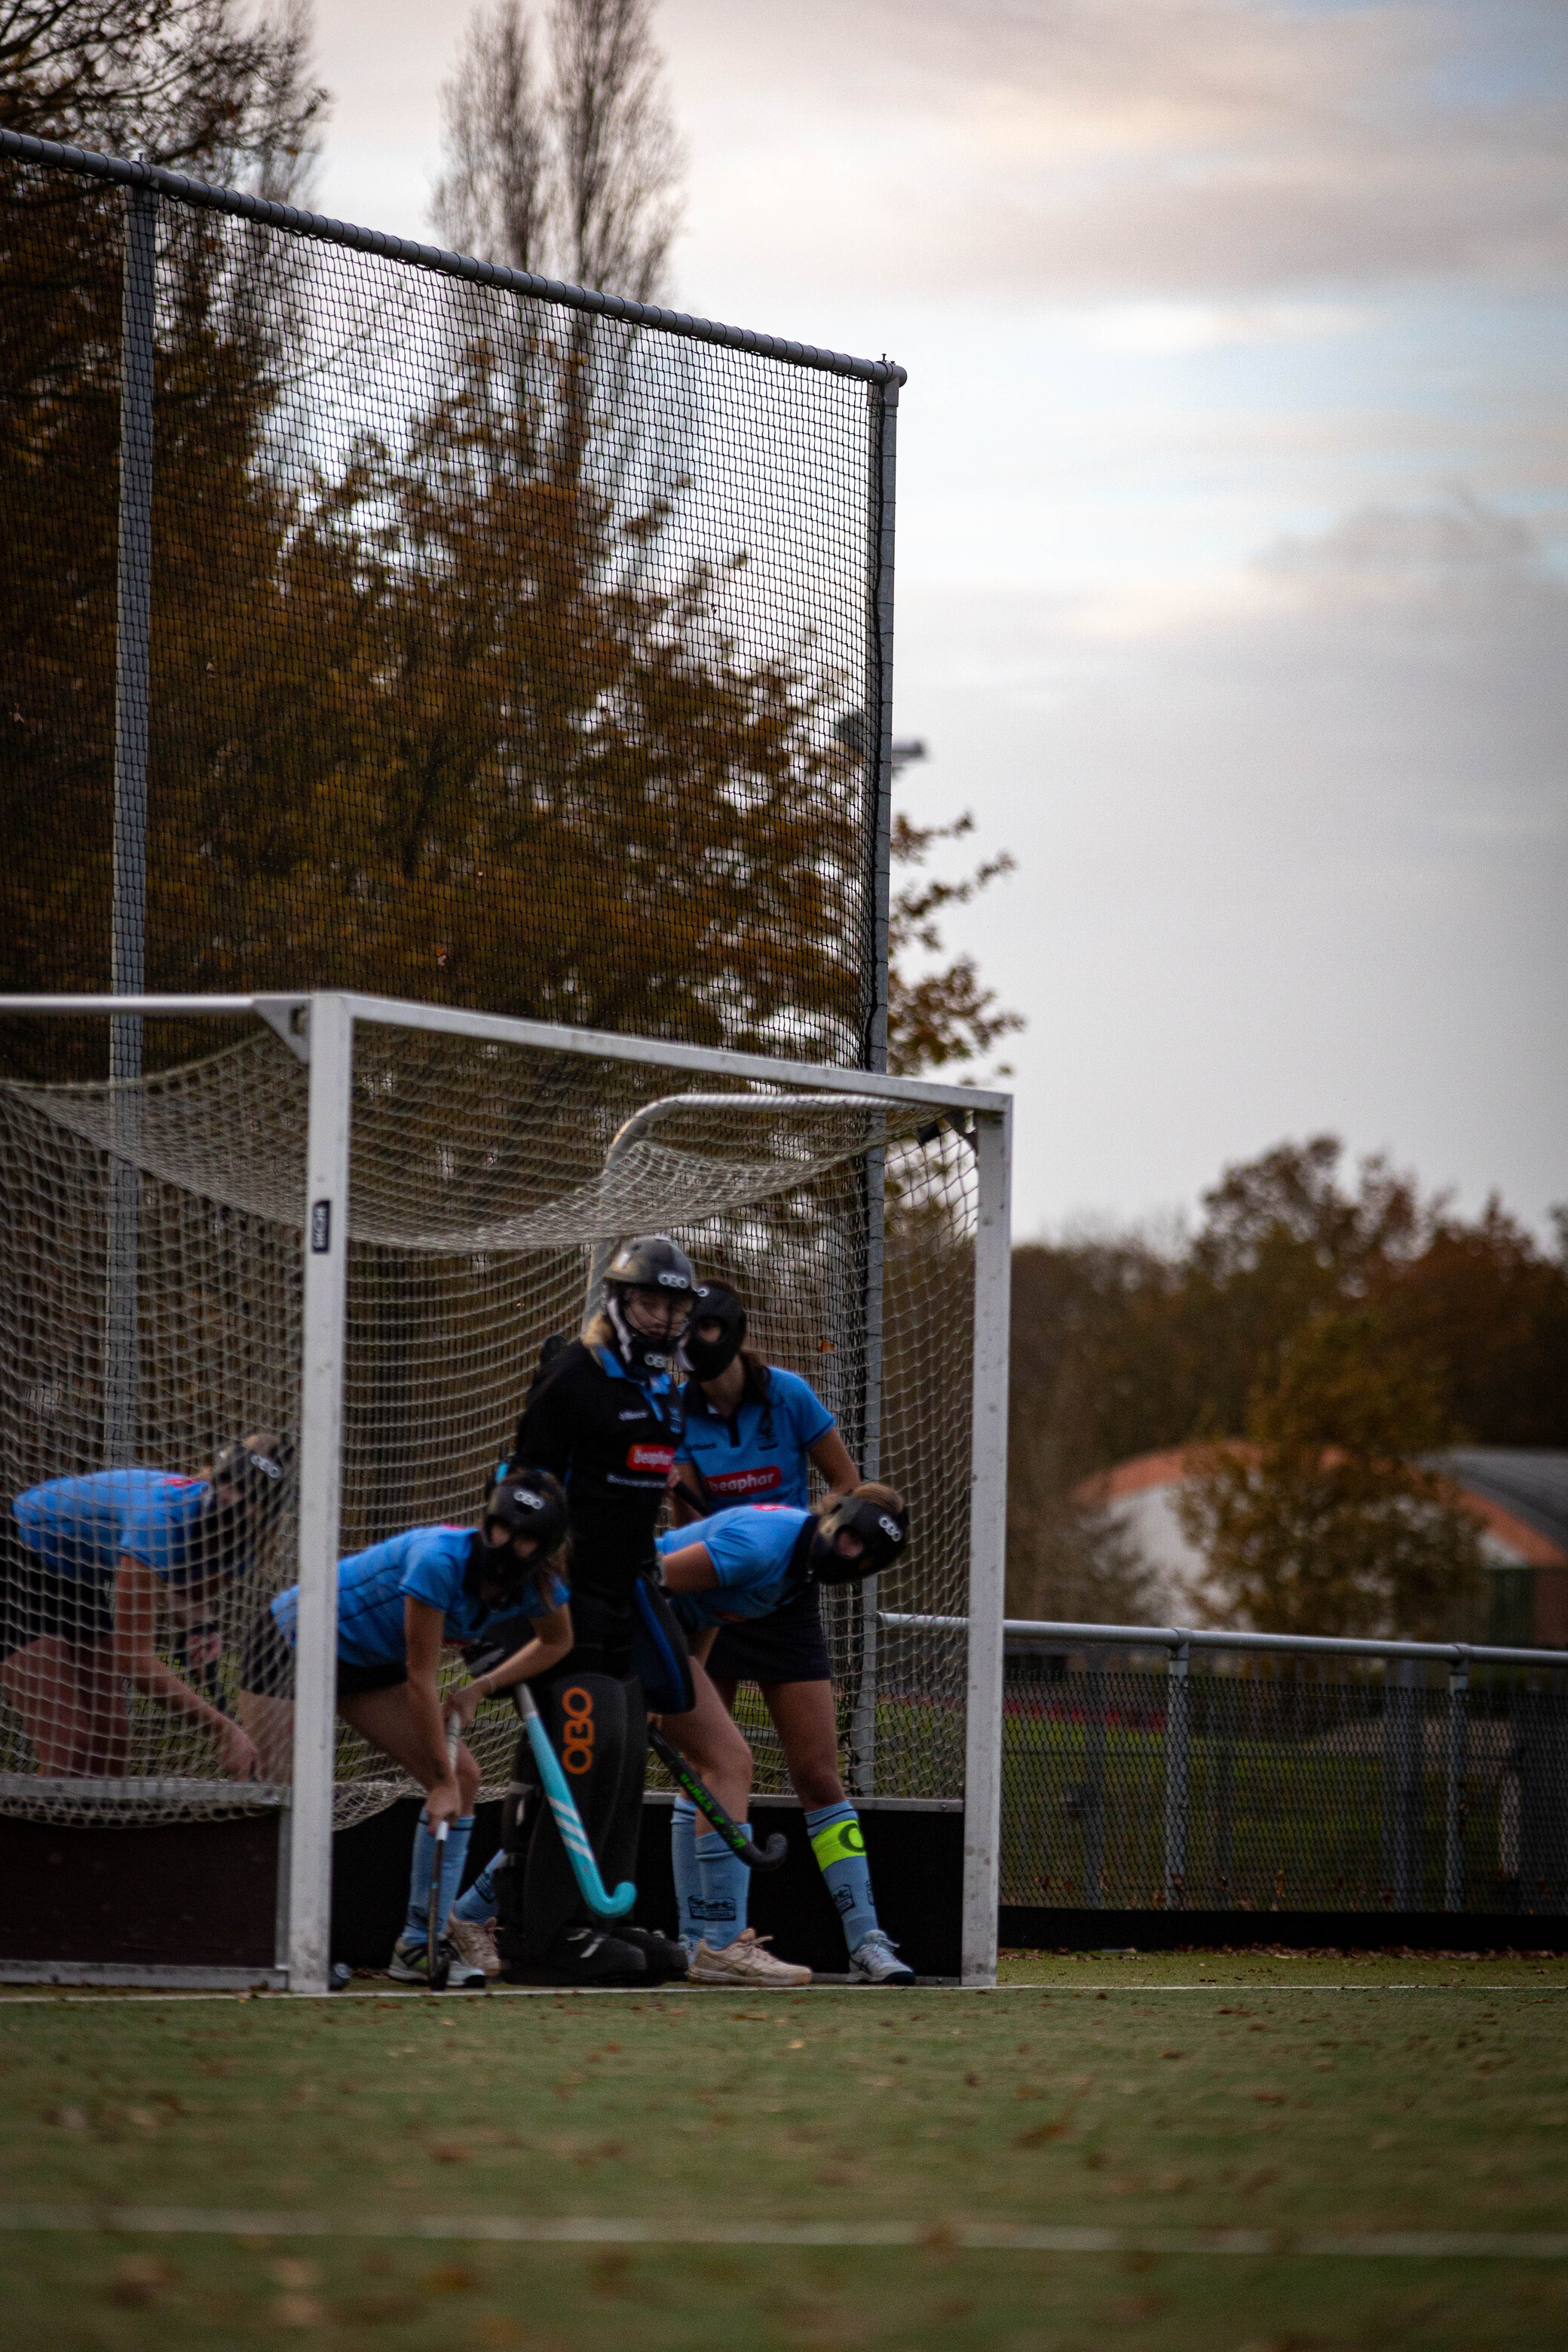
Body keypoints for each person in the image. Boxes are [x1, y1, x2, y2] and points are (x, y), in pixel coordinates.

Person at [488, 1234, 775, 1986]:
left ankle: (596, 1916)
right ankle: (541, 1933)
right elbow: (521, 1491)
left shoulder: (662, 1392)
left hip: (624, 1596)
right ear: (618, 1302)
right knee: (577, 1752)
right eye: (648, 1302)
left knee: (619, 1753)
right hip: (563, 1597)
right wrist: (526, 1597)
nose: (660, 1318)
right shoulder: (573, 1378)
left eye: (673, 1306)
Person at [237, 1470, 573, 1989]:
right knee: (280, 1795)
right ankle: (270, 1944)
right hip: (292, 1644)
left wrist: (482, 1686)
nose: (507, 1545)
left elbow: (556, 1643)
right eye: (500, 1528)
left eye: (524, 1537)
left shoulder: (540, 1586)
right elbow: (422, 1681)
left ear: (545, 1546)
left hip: (367, 1666)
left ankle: (418, 1946)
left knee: (463, 1779)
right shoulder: (440, 1561)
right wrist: (435, 1781)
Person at [671, 1284, 916, 1985]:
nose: (701, 1341)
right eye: (689, 1329)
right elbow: (684, 1511)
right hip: (713, 1588)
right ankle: (702, 1938)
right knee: (704, 1768)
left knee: (817, 1773)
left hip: (785, 1593)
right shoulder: (672, 1410)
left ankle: (867, 1940)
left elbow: (849, 1489)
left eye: (712, 1326)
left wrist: (801, 1552)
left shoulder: (790, 1395)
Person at [656, 1484, 910, 1985]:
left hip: (669, 1630)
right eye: (856, 1544)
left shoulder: (797, 1571)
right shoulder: (763, 1545)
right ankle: (717, 1942)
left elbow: (707, 1609)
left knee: (735, 1761)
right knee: (725, 1762)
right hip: (624, 1622)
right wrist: (645, 1676)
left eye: (870, 1561)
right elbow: (641, 1583)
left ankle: (712, 1942)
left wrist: (680, 1684)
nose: (857, 1565)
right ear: (836, 1518)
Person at [0, 1434, 292, 1781]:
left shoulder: (245, 1545)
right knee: (69, 1743)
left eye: (255, 1496)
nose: (237, 1499)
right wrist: (223, 1729)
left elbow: (189, 1591)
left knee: (110, 1744)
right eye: (231, 1483)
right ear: (217, 1477)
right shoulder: (159, 1517)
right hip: (17, 1555)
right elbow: (134, 1661)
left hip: (77, 1576)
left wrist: (200, 1628)